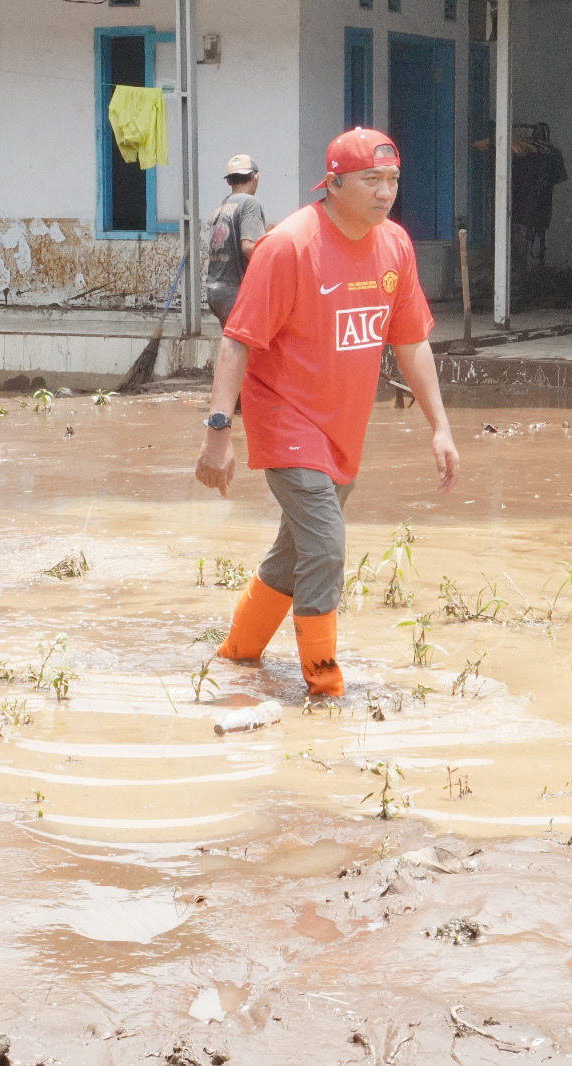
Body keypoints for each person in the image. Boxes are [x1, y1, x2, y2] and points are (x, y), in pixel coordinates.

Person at [194, 128, 460, 697]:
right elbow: (237, 340)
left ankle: (238, 654)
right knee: (325, 547)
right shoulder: (289, 245)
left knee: (294, 552)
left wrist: (440, 427)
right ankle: (324, 686)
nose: (385, 191)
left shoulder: (394, 246)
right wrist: (219, 431)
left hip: (342, 428)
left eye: (392, 180)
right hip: (285, 419)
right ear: (334, 183)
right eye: (371, 180)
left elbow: (411, 342)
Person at [204, 154, 267, 327]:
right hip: (235, 291)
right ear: (256, 176)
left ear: (229, 181)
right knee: (246, 349)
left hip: (215, 291)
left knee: (231, 344)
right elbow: (248, 247)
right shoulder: (250, 203)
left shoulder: (223, 205)